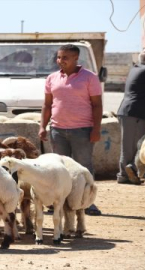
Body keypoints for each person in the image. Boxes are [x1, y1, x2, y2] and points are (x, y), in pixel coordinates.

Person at [39, 44, 103, 216]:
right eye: (59, 57)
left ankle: (87, 203)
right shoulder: (52, 78)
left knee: (84, 168)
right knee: (58, 168)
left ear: (76, 58)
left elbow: (97, 105)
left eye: (65, 58)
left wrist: (96, 129)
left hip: (82, 130)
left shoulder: (90, 78)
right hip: (57, 130)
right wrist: (42, 127)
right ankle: (57, 203)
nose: (60, 61)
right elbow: (47, 104)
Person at [116, 49, 145, 184]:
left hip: (130, 112)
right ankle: (125, 174)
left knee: (130, 146)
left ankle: (126, 173)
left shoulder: (136, 68)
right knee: (133, 147)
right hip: (135, 113)